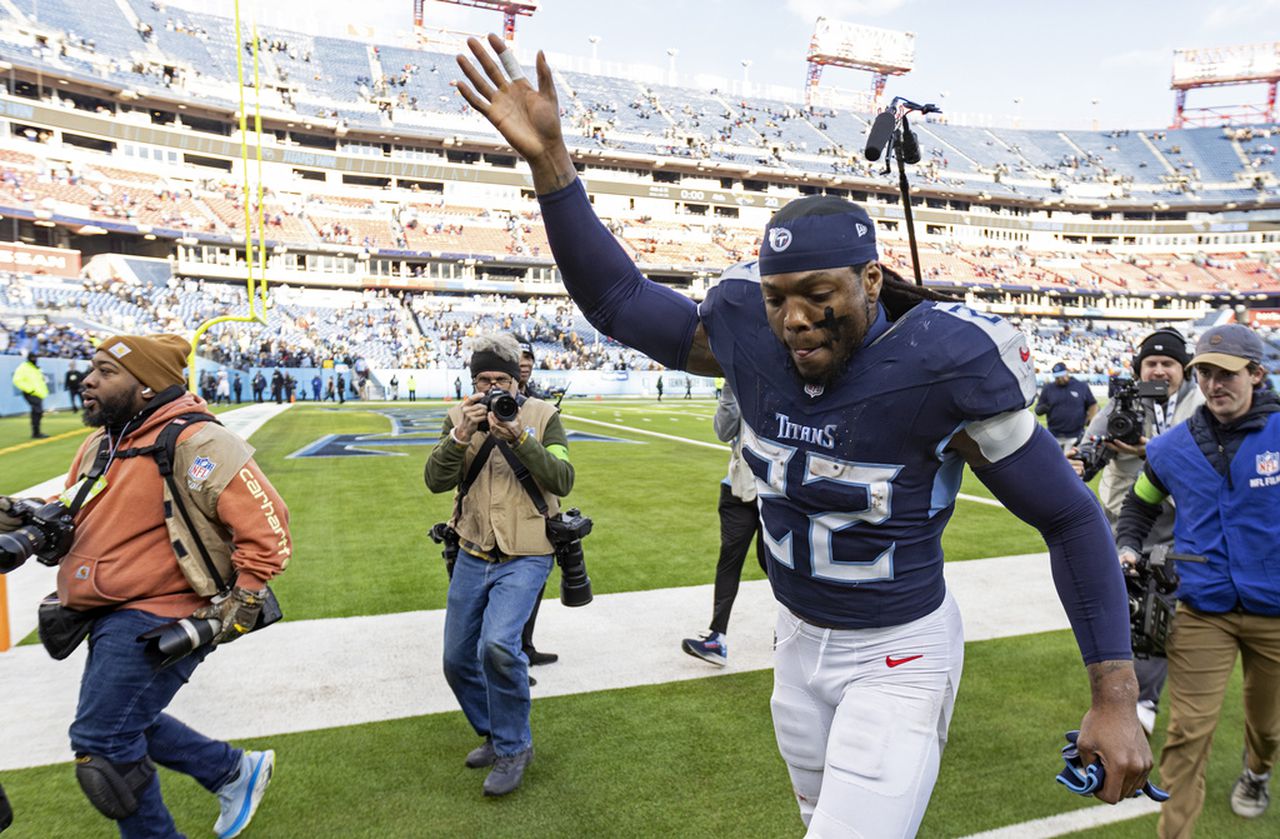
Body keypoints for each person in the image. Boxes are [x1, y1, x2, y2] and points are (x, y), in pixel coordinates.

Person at [454, 35, 1150, 832]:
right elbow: (617, 299)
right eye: (777, 296)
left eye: (817, 294)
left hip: (899, 650)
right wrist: (554, 170)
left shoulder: (940, 365)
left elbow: (1068, 516)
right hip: (794, 641)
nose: (794, 319)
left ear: (872, 280)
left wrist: (1114, 694)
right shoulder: (747, 332)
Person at [0, 333, 291, 839]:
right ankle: (230, 771)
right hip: (106, 610)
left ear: (147, 387)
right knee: (122, 720)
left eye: (107, 371)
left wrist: (243, 600)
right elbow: (79, 505)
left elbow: (270, 530)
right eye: (92, 368)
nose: (87, 379)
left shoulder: (199, 442)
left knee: (103, 743)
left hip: (161, 612)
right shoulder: (104, 440)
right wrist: (27, 517)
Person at [1117, 324, 1280, 837]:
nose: (1214, 384)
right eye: (1204, 373)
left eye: (1227, 373)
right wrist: (1127, 547)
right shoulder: (1169, 449)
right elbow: (1139, 505)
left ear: (1256, 373)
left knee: (1268, 726)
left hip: (1275, 611)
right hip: (1202, 610)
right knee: (1187, 733)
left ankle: (1257, 770)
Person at [424, 333, 575, 796]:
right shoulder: (456, 417)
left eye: (502, 380)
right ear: (471, 381)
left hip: (527, 550)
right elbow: (434, 481)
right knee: (455, 659)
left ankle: (513, 747)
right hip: (472, 547)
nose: (493, 389)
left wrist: (521, 438)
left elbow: (563, 479)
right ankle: (495, 730)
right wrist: (461, 436)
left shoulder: (544, 417)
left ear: (517, 380)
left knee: (498, 645)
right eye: (483, 380)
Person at [1067, 328, 1204, 734]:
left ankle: (1145, 696)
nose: (1159, 371)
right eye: (1151, 364)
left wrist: (1152, 452)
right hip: (1124, 523)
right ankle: (1127, 693)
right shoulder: (1124, 403)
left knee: (1159, 613)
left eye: (1168, 364)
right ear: (1139, 368)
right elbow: (1092, 448)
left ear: (1184, 369)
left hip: (1182, 526)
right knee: (1125, 613)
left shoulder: (1201, 405)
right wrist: (1078, 463)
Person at [682, 380, 765, 667]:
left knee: (776, 565)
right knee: (729, 560)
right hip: (737, 487)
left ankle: (798, 632)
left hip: (775, 491)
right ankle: (717, 636)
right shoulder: (740, 383)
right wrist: (731, 385)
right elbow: (724, 430)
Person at [515, 341, 556, 666]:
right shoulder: (496, 400)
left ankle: (525, 645)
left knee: (536, 581)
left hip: (540, 501)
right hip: (508, 503)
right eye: (519, 358)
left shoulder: (538, 401)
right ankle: (510, 656)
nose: (525, 363)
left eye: (529, 358)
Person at [1036, 362, 1098, 452]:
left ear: (1067, 372)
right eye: (1057, 377)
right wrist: (1042, 409)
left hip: (1075, 434)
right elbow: (1038, 409)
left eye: (1062, 376)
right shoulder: (1048, 388)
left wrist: (1090, 419)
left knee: (1072, 464)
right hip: (1054, 434)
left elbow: (1092, 404)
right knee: (1053, 463)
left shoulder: (1081, 386)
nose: (1060, 379)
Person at [11, 350, 48, 438]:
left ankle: (36, 432)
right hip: (31, 393)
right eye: (32, 357)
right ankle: (36, 433)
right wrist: (30, 390)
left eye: (35, 357)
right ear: (29, 358)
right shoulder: (23, 367)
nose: (34, 359)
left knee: (38, 412)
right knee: (37, 411)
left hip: (38, 394)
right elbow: (17, 380)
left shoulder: (36, 368)